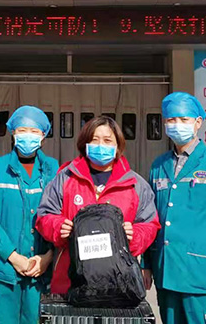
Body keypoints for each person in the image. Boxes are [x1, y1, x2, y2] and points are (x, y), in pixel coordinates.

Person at [142, 92, 206, 324]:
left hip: (201, 277)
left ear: (198, 122)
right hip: (166, 274)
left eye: (184, 119)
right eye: (171, 120)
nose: (177, 124)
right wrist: (146, 265)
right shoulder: (159, 165)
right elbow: (150, 218)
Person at [36, 115, 160, 295]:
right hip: (69, 283)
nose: (101, 145)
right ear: (85, 144)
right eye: (94, 140)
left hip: (119, 286)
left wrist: (134, 235)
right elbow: (44, 215)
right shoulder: (66, 178)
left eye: (108, 140)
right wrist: (59, 227)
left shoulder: (135, 184)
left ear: (118, 145)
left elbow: (150, 224)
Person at [0, 106, 59, 324]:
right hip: (4, 268)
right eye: (22, 130)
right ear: (13, 133)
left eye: (34, 131)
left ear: (43, 135)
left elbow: (61, 215)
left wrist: (48, 257)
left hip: (40, 269)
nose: (28, 136)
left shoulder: (53, 169)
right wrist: (13, 257)